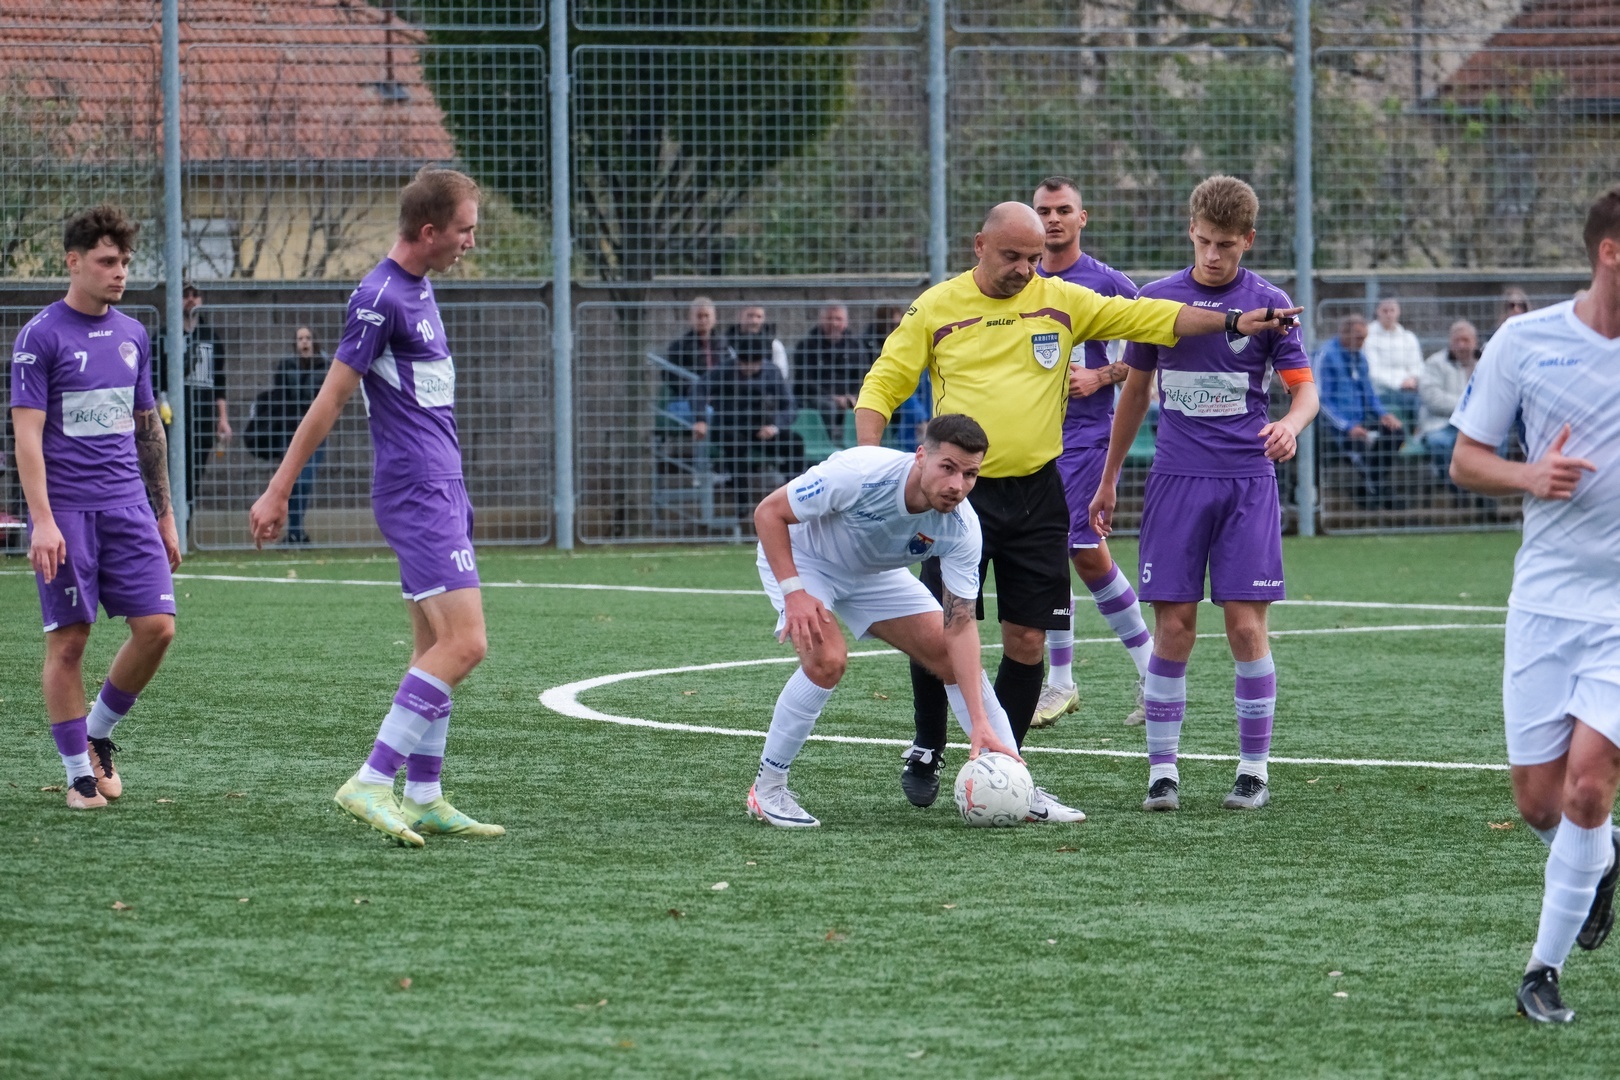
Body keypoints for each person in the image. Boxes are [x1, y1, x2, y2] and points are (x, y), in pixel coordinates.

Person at [856, 198, 1300, 808]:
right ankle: (928, 744)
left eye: (1033, 257)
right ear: (979, 246)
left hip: (1040, 493)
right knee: (941, 630)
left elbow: (1150, 316)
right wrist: (867, 463)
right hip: (959, 498)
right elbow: (884, 382)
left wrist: (1231, 321)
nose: (1024, 268)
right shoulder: (936, 306)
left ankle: (1005, 765)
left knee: (1027, 641)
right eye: (1012, 256)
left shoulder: (1060, 300)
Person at [249, 166, 503, 846]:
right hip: (416, 489)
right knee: (466, 643)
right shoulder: (379, 297)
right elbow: (330, 399)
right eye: (464, 230)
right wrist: (278, 488)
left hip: (441, 484)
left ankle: (423, 795)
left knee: (434, 645)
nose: (470, 242)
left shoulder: (420, 286)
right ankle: (371, 779)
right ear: (429, 230)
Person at [1090, 175, 1319, 814]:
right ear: (1191, 231)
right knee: (1175, 627)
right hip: (1176, 481)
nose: (1213, 255)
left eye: (1227, 244)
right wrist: (1109, 478)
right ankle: (1162, 773)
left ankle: (1253, 770)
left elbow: (1305, 390)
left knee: (1245, 626)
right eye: (1205, 241)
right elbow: (1135, 393)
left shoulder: (1271, 304)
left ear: (1248, 240)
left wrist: (1290, 425)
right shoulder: (1157, 301)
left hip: (1247, 481)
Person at [1448, 186, 1620, 1025]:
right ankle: (1599, 858)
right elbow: (1466, 460)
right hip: (1546, 602)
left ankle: (1540, 973)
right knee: (1540, 803)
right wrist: (1529, 475)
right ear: (1610, 252)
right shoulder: (1526, 341)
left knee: (1589, 785)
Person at [749, 414, 1066, 826]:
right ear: (920, 457)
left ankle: (1016, 785)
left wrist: (980, 722)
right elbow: (768, 513)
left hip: (872, 574)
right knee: (827, 660)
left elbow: (960, 625)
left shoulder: (963, 528)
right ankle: (768, 789)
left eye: (970, 474)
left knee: (947, 655)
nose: (957, 485)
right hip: (805, 562)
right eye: (947, 468)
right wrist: (794, 592)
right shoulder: (860, 473)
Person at [9, 205, 181, 810]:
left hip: (129, 508)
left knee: (158, 628)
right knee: (70, 642)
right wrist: (43, 520)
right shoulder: (40, 336)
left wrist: (164, 514)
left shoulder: (134, 334)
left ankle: (98, 732)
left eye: (125, 261)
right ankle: (79, 775)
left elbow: (147, 427)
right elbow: (26, 436)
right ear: (74, 262)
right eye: (108, 261)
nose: (120, 272)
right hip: (68, 513)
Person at [1027, 175, 1153, 731]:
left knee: (1076, 549)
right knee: (1064, 553)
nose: (1052, 219)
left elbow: (1151, 352)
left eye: (1063, 210)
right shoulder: (1021, 279)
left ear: (1083, 218)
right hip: (1029, 439)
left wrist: (1101, 375)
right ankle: (1141, 670)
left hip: (1084, 438)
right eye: (1043, 211)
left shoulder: (1108, 283)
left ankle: (1069, 679)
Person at [1315, 313, 1406, 509]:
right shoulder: (1327, 355)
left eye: (1364, 338)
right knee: (1360, 447)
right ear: (1344, 334)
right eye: (1358, 338)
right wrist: (1347, 427)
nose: (1362, 343)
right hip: (1333, 428)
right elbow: (1321, 401)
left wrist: (1384, 415)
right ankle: (1375, 491)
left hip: (1359, 422)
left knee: (1396, 433)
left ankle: (1372, 487)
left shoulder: (1360, 358)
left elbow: (1369, 394)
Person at [692, 335, 803, 484]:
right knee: (734, 444)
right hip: (731, 427)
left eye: (753, 364)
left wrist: (774, 426)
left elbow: (789, 405)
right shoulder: (725, 369)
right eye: (744, 364)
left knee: (795, 442)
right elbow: (699, 388)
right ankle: (741, 496)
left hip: (762, 427)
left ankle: (792, 491)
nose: (748, 368)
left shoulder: (772, 372)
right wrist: (701, 419)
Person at [157, 283, 231, 498]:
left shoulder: (211, 337)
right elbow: (153, 380)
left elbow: (219, 382)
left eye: (195, 295)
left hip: (203, 421)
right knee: (166, 482)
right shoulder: (164, 336)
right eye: (185, 295)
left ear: (201, 300)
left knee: (192, 483)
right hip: (171, 420)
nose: (191, 299)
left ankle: (185, 519)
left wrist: (223, 419)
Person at [274, 326, 328, 545]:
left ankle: (296, 531)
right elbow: (279, 397)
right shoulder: (286, 366)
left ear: (314, 342)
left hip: (315, 433)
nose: (304, 342)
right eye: (300, 339)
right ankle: (296, 532)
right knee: (292, 483)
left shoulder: (324, 367)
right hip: (290, 432)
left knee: (304, 481)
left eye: (308, 338)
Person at [1416, 319, 1480, 482]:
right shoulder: (1435, 363)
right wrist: (1468, 407)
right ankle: (1455, 485)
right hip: (1441, 423)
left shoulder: (1485, 363)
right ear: (1450, 342)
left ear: (1475, 342)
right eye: (1457, 340)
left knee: (1498, 440)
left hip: (1476, 424)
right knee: (1438, 442)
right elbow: (1432, 398)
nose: (1461, 345)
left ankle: (1486, 489)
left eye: (1466, 340)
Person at [793, 303, 869, 438]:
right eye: (829, 318)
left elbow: (863, 376)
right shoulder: (806, 345)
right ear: (821, 320)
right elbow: (805, 381)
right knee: (828, 407)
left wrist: (851, 396)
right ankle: (832, 442)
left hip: (849, 396)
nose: (834, 323)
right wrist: (834, 398)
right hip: (816, 397)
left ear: (846, 322)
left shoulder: (856, 346)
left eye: (838, 319)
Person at [1362, 297, 1424, 426]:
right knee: (1415, 403)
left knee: (1426, 399)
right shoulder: (1368, 337)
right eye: (1385, 311)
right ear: (1377, 312)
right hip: (1381, 391)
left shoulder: (1408, 337)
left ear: (1398, 312)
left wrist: (1413, 379)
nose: (1389, 314)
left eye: (1392, 310)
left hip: (1409, 389)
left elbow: (1418, 365)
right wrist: (1399, 383)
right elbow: (1373, 371)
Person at [664, 296, 734, 397]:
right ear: (690, 318)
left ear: (714, 318)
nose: (703, 320)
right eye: (699, 316)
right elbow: (670, 375)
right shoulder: (680, 346)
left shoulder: (724, 344)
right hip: (690, 396)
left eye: (707, 316)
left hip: (720, 397)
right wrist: (694, 392)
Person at [725, 304, 789, 383]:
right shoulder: (726, 343)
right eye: (750, 316)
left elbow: (782, 373)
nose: (754, 321)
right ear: (740, 316)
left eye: (759, 317)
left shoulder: (774, 344)